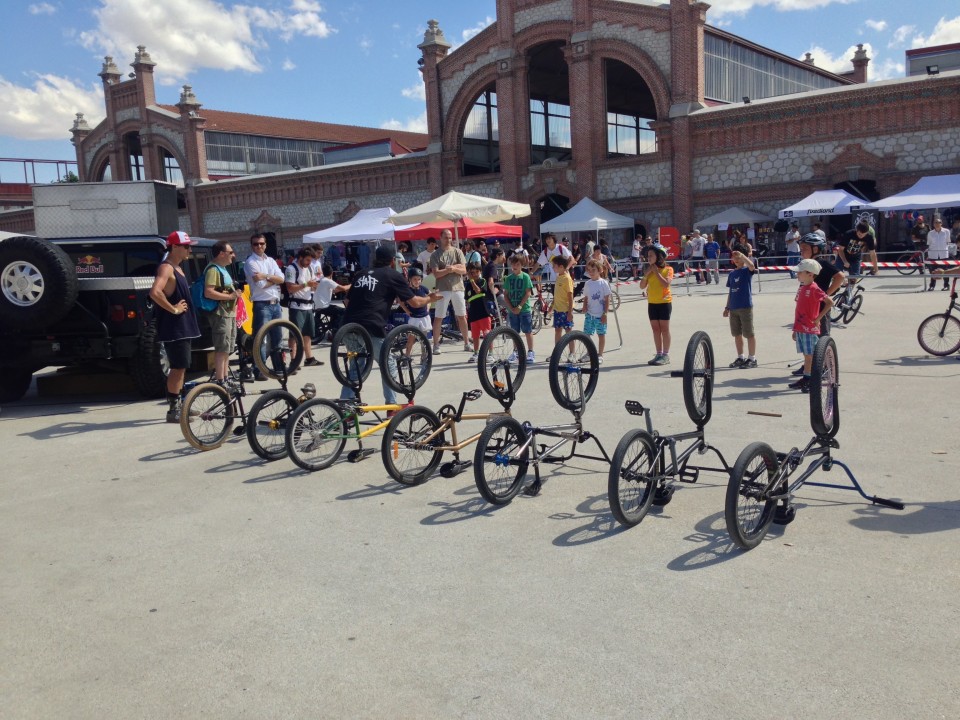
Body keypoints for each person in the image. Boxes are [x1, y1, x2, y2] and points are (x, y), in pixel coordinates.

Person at [340, 246, 440, 405]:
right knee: (388, 363)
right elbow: (414, 302)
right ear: (393, 261)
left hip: (348, 326)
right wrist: (431, 298)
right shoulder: (393, 275)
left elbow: (346, 301)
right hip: (371, 326)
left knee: (356, 365)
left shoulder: (361, 274)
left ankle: (347, 406)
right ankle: (391, 406)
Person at [149, 231, 201, 422]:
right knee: (177, 368)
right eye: (187, 246)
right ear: (175, 247)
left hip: (183, 327)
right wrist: (174, 309)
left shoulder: (178, 268)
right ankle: (173, 411)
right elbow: (155, 292)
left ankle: (181, 405)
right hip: (174, 328)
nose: (190, 250)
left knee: (182, 367)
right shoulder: (166, 268)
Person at [245, 232, 285, 381]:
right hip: (262, 304)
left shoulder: (271, 260)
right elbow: (260, 285)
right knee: (261, 339)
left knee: (277, 338)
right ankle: (259, 369)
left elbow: (282, 278)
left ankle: (278, 367)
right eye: (256, 244)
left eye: (261, 243)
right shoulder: (251, 262)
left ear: (266, 245)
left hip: (275, 304)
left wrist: (266, 276)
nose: (259, 246)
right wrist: (273, 279)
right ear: (252, 246)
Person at [789, 258, 833, 392]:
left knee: (810, 356)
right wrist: (795, 329)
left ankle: (811, 380)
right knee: (806, 355)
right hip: (801, 328)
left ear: (810, 274)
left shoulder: (814, 288)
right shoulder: (802, 287)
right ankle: (806, 378)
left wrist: (818, 317)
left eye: (800, 272)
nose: (797, 274)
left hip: (809, 328)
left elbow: (829, 302)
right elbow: (799, 309)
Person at [428, 228, 471, 354]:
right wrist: (451, 269)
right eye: (446, 237)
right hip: (443, 289)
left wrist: (450, 269)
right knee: (439, 317)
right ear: (440, 238)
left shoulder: (457, 251)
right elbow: (436, 274)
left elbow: (464, 270)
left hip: (458, 287)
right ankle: (436, 345)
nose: (449, 240)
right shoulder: (435, 255)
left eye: (450, 237)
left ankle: (466, 343)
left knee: (462, 316)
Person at [203, 240, 239, 384]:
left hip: (229, 314)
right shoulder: (213, 270)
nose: (233, 255)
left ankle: (225, 377)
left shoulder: (223, 269)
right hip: (220, 314)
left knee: (227, 348)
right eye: (230, 252)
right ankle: (220, 380)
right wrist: (230, 296)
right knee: (221, 348)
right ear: (221, 254)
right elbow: (208, 292)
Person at [798, 233, 844, 342]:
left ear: (815, 249)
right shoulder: (806, 264)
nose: (802, 251)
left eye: (805, 248)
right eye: (801, 249)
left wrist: (826, 294)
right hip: (808, 308)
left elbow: (840, 277)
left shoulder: (822, 263)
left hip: (821, 307)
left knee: (822, 338)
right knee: (810, 340)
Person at [285, 247, 323, 367]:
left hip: (308, 305)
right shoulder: (291, 269)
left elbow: (310, 286)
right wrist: (306, 284)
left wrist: (314, 287)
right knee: (295, 334)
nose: (309, 263)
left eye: (310, 260)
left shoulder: (310, 268)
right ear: (300, 258)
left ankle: (309, 358)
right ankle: (294, 360)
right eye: (307, 260)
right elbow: (290, 288)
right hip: (296, 306)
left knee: (307, 333)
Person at [723, 244, 758, 368]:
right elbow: (730, 291)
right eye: (734, 258)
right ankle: (740, 356)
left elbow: (752, 266)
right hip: (734, 308)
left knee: (749, 333)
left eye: (738, 258)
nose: (736, 260)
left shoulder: (746, 271)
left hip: (745, 307)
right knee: (736, 334)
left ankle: (752, 358)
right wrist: (727, 307)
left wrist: (743, 256)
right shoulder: (732, 274)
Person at [639, 244, 674, 366]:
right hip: (652, 303)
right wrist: (647, 274)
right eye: (647, 256)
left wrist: (656, 272)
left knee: (664, 329)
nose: (648, 258)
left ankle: (665, 354)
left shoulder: (668, 269)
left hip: (664, 303)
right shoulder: (648, 270)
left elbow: (666, 284)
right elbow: (642, 286)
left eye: (651, 255)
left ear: (658, 256)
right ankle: (658, 353)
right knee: (655, 329)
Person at [503, 254, 536, 363]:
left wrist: (519, 306)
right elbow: (506, 295)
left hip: (524, 309)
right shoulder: (508, 279)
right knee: (514, 332)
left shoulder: (525, 277)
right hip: (512, 310)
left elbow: (528, 293)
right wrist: (511, 307)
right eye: (513, 264)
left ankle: (530, 352)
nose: (515, 266)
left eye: (517, 264)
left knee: (528, 331)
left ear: (522, 265)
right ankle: (515, 352)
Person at [580, 258, 611, 363]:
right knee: (586, 335)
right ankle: (589, 353)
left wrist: (605, 313)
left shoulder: (603, 283)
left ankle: (600, 354)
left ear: (600, 270)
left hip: (600, 314)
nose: (591, 272)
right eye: (589, 270)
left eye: (593, 270)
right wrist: (584, 306)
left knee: (601, 334)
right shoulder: (588, 283)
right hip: (590, 314)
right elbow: (586, 297)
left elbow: (607, 299)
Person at [465, 262, 492, 363]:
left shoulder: (482, 281)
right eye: (472, 272)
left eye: (477, 272)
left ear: (480, 272)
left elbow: (477, 290)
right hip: (473, 314)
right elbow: (467, 299)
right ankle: (476, 353)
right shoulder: (467, 285)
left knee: (487, 334)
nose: (475, 274)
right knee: (475, 336)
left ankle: (490, 354)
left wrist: (471, 280)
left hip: (484, 313)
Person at [399, 266, 433, 337]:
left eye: (419, 279)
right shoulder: (408, 290)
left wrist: (428, 307)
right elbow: (401, 302)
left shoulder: (423, 288)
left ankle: (425, 348)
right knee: (411, 338)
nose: (417, 281)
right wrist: (407, 311)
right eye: (414, 279)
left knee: (424, 337)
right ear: (410, 279)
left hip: (424, 316)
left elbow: (431, 296)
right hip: (414, 317)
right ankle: (409, 348)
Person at [550, 254, 574, 343]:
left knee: (568, 332)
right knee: (557, 331)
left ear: (561, 266)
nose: (553, 267)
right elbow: (557, 295)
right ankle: (557, 353)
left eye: (554, 266)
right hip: (557, 310)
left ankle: (572, 353)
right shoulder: (558, 277)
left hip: (566, 310)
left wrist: (570, 312)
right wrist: (552, 306)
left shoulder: (567, 279)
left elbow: (570, 296)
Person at [926, 216, 951, 290]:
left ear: (941, 223)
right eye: (936, 222)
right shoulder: (930, 233)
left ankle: (946, 285)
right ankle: (932, 286)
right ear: (933, 224)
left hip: (943, 254)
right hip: (933, 255)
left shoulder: (946, 231)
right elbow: (929, 243)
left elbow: (947, 241)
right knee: (933, 271)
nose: (937, 224)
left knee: (945, 271)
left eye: (939, 222)